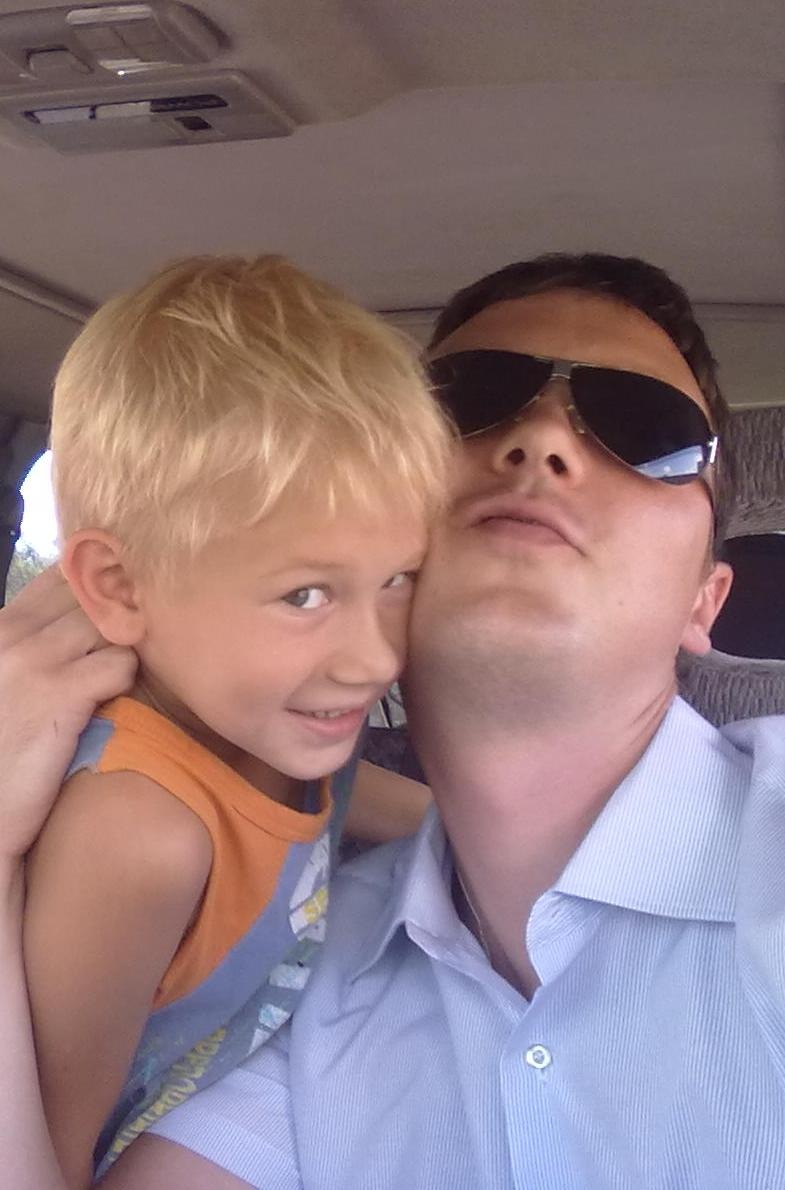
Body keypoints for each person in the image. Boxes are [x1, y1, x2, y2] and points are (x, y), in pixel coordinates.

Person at [3, 252, 785, 1190]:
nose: (542, 439)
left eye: (646, 428)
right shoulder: (302, 977)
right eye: (469, 399)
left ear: (706, 599)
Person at [15, 255, 448, 1188]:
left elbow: (370, 804)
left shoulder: (273, 727)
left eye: (397, 579)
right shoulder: (140, 834)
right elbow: (49, 1144)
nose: (375, 659)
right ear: (120, 588)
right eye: (304, 595)